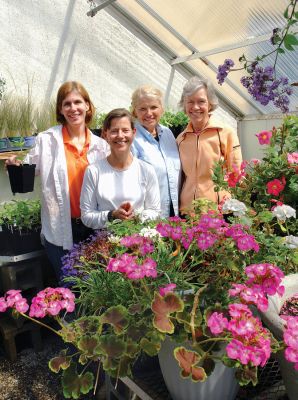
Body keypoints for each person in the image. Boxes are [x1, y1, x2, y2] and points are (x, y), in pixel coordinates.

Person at [5, 81, 110, 280]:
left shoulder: (101, 146)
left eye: (78, 102)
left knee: (97, 288)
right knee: (69, 287)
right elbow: (28, 172)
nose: (73, 108)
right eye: (67, 104)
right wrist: (15, 168)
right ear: (60, 109)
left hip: (95, 228)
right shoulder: (47, 140)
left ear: (87, 105)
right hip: (61, 227)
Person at [80, 108, 160, 229]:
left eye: (125, 130)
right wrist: (111, 216)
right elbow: (86, 216)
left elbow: (154, 211)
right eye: (114, 131)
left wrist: (137, 216)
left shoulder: (146, 170)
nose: (120, 135)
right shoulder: (94, 171)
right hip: (105, 244)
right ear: (105, 134)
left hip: (139, 243)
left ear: (134, 132)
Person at [176, 76, 242, 214]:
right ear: (184, 104)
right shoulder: (181, 139)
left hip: (218, 211)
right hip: (188, 212)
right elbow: (179, 178)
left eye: (201, 101)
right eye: (190, 102)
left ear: (210, 104)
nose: (195, 107)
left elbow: (237, 173)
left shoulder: (225, 133)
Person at [130, 85, 180, 218]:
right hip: (149, 217)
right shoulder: (132, 139)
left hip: (174, 212)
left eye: (153, 107)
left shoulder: (168, 134)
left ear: (161, 109)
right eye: (142, 109)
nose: (149, 113)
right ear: (135, 112)